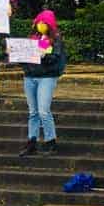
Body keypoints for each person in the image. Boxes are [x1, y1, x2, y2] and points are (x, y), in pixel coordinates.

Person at [18, 10, 67, 157]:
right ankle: (31, 142)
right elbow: (24, 58)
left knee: (43, 111)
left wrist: (44, 55)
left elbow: (56, 58)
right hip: (30, 76)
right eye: (39, 22)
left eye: (44, 23)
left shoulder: (56, 39)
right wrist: (15, 53)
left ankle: (50, 141)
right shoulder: (33, 38)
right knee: (33, 112)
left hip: (47, 77)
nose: (41, 25)